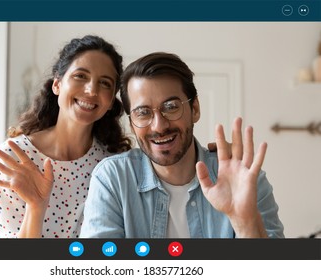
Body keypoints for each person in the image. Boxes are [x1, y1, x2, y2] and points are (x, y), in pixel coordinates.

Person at [80, 52, 284, 238]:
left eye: (171, 107)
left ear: (194, 108)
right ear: (132, 123)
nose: (159, 126)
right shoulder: (113, 178)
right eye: (143, 112)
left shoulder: (243, 179)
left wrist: (245, 222)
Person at [0, 35, 132, 238]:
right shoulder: (15, 158)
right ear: (57, 84)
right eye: (81, 76)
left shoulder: (113, 165)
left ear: (110, 101)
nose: (91, 90)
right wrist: (36, 207)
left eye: (105, 83)